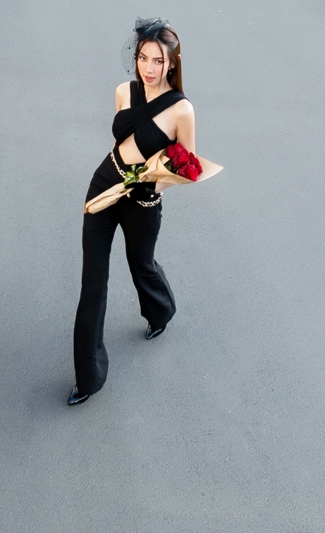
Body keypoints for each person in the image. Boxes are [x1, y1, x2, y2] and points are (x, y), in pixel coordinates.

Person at [68, 17, 196, 406]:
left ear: (171, 63)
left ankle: (161, 311)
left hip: (142, 199)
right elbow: (122, 141)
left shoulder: (181, 110)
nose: (149, 68)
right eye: (143, 58)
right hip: (105, 185)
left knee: (141, 264)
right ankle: (88, 377)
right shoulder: (124, 91)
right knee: (93, 281)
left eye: (158, 61)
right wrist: (121, 179)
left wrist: (155, 183)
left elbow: (189, 168)